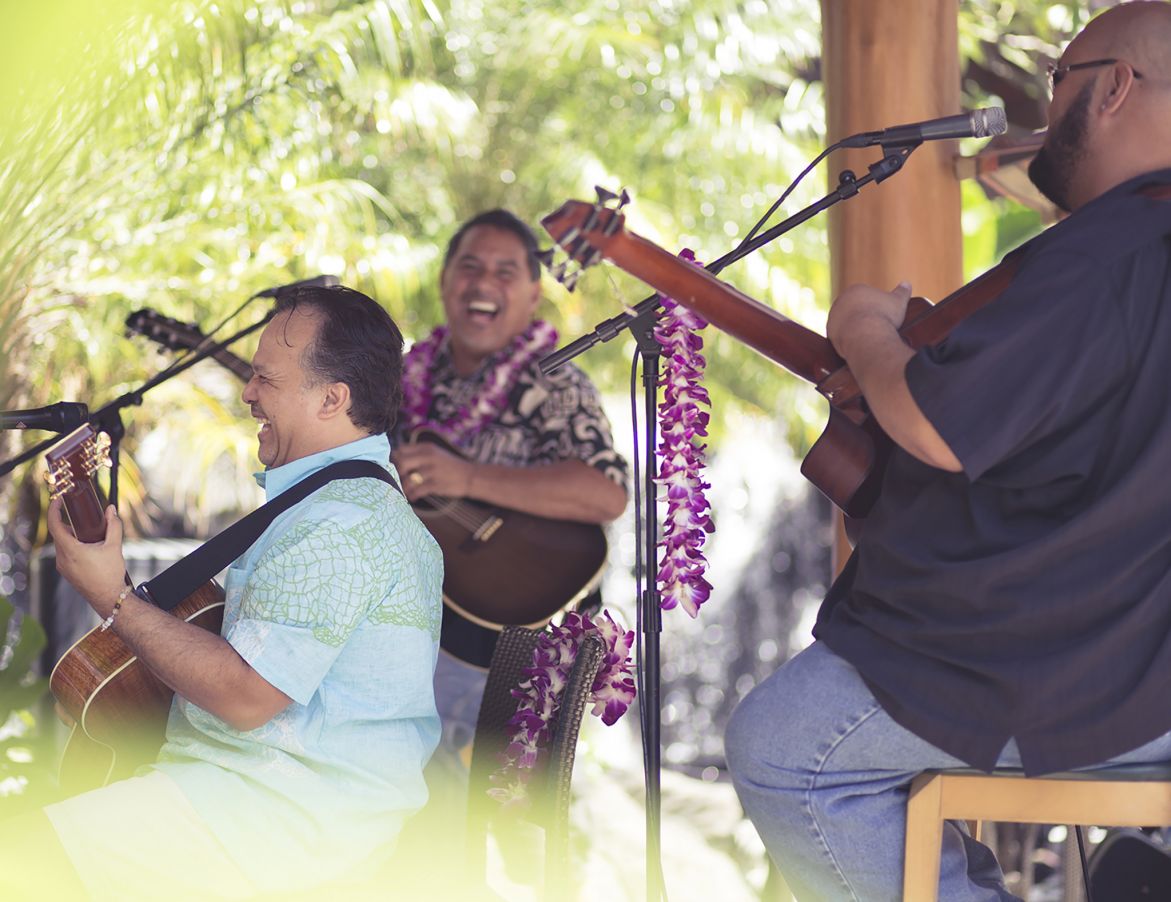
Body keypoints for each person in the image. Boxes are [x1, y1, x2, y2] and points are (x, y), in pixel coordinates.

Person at [725, 3, 1171, 899]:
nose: (1047, 112)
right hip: (1146, 668)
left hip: (1069, 666)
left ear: (1115, 86)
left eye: (1060, 83)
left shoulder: (1105, 252)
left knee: (784, 752)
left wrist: (862, 330)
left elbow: (932, 425)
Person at [0, 285, 444, 899]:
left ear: (333, 398)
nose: (248, 392)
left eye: (268, 378)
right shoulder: (331, 506)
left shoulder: (341, 525)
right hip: (247, 806)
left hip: (273, 824)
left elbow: (245, 697)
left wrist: (115, 600)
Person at [390, 208, 628, 771]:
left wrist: (469, 478)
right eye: (470, 267)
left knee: (412, 746)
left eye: (504, 273)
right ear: (446, 281)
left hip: (511, 641)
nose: (483, 284)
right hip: (412, 613)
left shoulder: (556, 380)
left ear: (532, 293)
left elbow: (606, 492)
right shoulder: (402, 379)